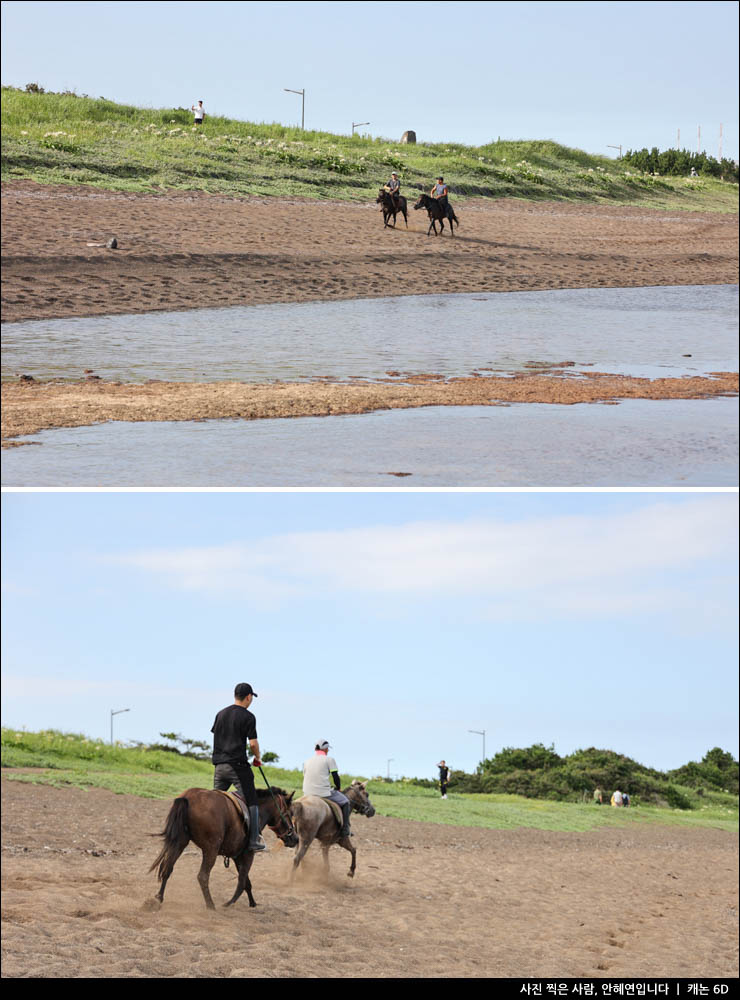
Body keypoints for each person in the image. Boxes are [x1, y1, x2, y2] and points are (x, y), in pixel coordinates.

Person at [211, 682, 266, 852]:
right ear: (249, 697)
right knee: (252, 800)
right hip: (237, 766)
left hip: (219, 766)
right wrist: (257, 757)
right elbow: (253, 744)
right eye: (251, 698)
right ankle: (253, 839)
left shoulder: (220, 714)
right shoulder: (249, 717)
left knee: (215, 801)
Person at [302, 740, 352, 839]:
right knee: (345, 802)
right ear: (325, 748)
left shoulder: (307, 761)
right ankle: (345, 829)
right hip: (323, 792)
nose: (328, 750)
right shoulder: (329, 760)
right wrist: (338, 788)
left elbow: (306, 775)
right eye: (327, 748)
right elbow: (335, 776)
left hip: (307, 792)